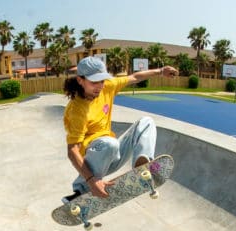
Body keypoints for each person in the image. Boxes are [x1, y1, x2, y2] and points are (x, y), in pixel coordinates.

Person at [62, 56, 178, 203]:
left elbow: (134, 77)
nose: (99, 87)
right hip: (94, 162)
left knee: (146, 122)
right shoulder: (76, 110)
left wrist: (160, 71)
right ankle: (81, 190)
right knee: (110, 143)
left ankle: (142, 167)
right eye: (94, 82)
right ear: (80, 80)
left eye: (102, 81)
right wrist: (91, 180)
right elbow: (72, 150)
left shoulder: (107, 87)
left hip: (114, 153)